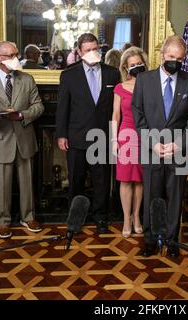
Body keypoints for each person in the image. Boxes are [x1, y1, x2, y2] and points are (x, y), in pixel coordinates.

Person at [132, 35, 188, 258]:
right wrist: (152, 143)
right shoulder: (144, 80)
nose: (175, 62)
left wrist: (179, 144)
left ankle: (172, 241)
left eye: (180, 59)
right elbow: (138, 114)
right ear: (162, 55)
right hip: (151, 149)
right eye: (172, 57)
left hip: (178, 152)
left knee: (175, 197)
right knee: (152, 196)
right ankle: (151, 239)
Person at [0, 41, 45, 239]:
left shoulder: (27, 79)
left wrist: (21, 115)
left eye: (17, 54)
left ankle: (28, 217)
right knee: (2, 185)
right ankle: (3, 221)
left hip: (24, 138)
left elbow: (38, 107)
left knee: (27, 183)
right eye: (11, 55)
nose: (16, 58)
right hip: (0, 139)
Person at [56, 33, 121, 233]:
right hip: (76, 136)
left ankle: (101, 218)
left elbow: (116, 109)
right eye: (88, 50)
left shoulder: (112, 73)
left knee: (102, 180)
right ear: (78, 52)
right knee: (76, 181)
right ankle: (76, 218)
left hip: (102, 136)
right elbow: (63, 108)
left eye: (95, 49)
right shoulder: (68, 75)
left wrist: (114, 136)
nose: (93, 53)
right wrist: (61, 135)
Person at [111, 46, 148, 238]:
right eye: (132, 65)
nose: (136, 67)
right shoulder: (120, 87)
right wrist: (113, 140)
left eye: (139, 64)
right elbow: (115, 115)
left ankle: (137, 217)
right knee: (125, 180)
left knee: (139, 179)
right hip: (126, 136)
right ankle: (126, 218)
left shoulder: (151, 85)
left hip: (145, 136)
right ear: (125, 67)